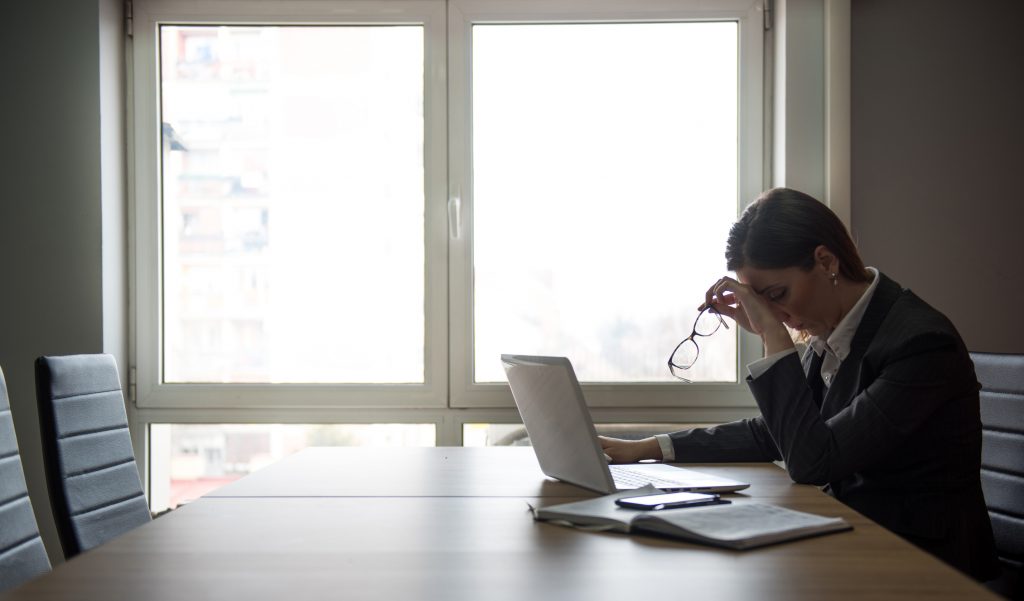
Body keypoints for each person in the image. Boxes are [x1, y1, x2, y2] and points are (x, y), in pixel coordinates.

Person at [600, 187, 998, 581]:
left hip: (923, 563)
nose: (778, 314)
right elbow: (778, 434)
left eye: (777, 294)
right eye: (762, 303)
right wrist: (647, 448)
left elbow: (813, 461)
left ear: (825, 261)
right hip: (852, 537)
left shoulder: (921, 344)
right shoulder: (836, 330)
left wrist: (774, 338)